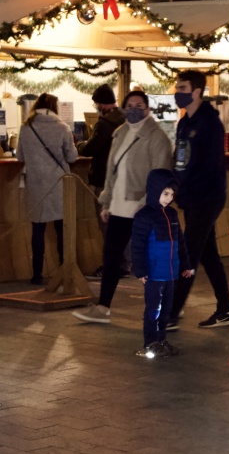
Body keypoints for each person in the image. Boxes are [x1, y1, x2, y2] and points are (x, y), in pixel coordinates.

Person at [73, 90, 173, 324]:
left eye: (139, 105)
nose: (134, 109)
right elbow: (112, 171)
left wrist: (148, 203)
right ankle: (102, 308)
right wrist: (106, 202)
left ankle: (166, 308)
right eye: (130, 105)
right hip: (118, 207)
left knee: (151, 260)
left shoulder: (157, 137)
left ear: (147, 108)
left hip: (142, 208)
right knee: (111, 258)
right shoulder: (120, 133)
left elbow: (161, 174)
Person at [167, 69, 229, 330]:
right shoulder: (185, 122)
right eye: (177, 87)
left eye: (182, 88)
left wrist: (188, 190)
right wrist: (177, 187)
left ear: (196, 92)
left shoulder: (210, 124)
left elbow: (209, 166)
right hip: (190, 198)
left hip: (206, 197)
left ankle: (172, 313)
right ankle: (226, 309)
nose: (178, 92)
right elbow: (181, 160)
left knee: (188, 253)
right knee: (207, 254)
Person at [16, 93, 78, 285]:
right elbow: (72, 157)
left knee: (38, 229)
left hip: (36, 183)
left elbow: (19, 156)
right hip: (59, 183)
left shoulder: (26, 128)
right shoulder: (63, 127)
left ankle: (36, 274)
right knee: (61, 229)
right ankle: (63, 270)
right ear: (54, 107)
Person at [130, 169, 194, 357]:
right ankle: (150, 342)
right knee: (153, 310)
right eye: (165, 194)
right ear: (155, 190)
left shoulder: (172, 215)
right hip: (154, 273)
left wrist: (185, 265)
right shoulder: (145, 216)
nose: (169, 198)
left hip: (170, 273)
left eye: (172, 195)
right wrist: (140, 271)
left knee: (166, 310)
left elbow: (180, 242)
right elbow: (137, 245)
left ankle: (162, 340)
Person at [76, 84, 127, 276]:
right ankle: (124, 265)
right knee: (122, 225)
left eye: (96, 103)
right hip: (123, 179)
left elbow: (91, 148)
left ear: (100, 103)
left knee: (106, 226)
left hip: (104, 180)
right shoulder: (126, 119)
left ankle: (111, 266)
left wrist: (79, 144)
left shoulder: (104, 124)